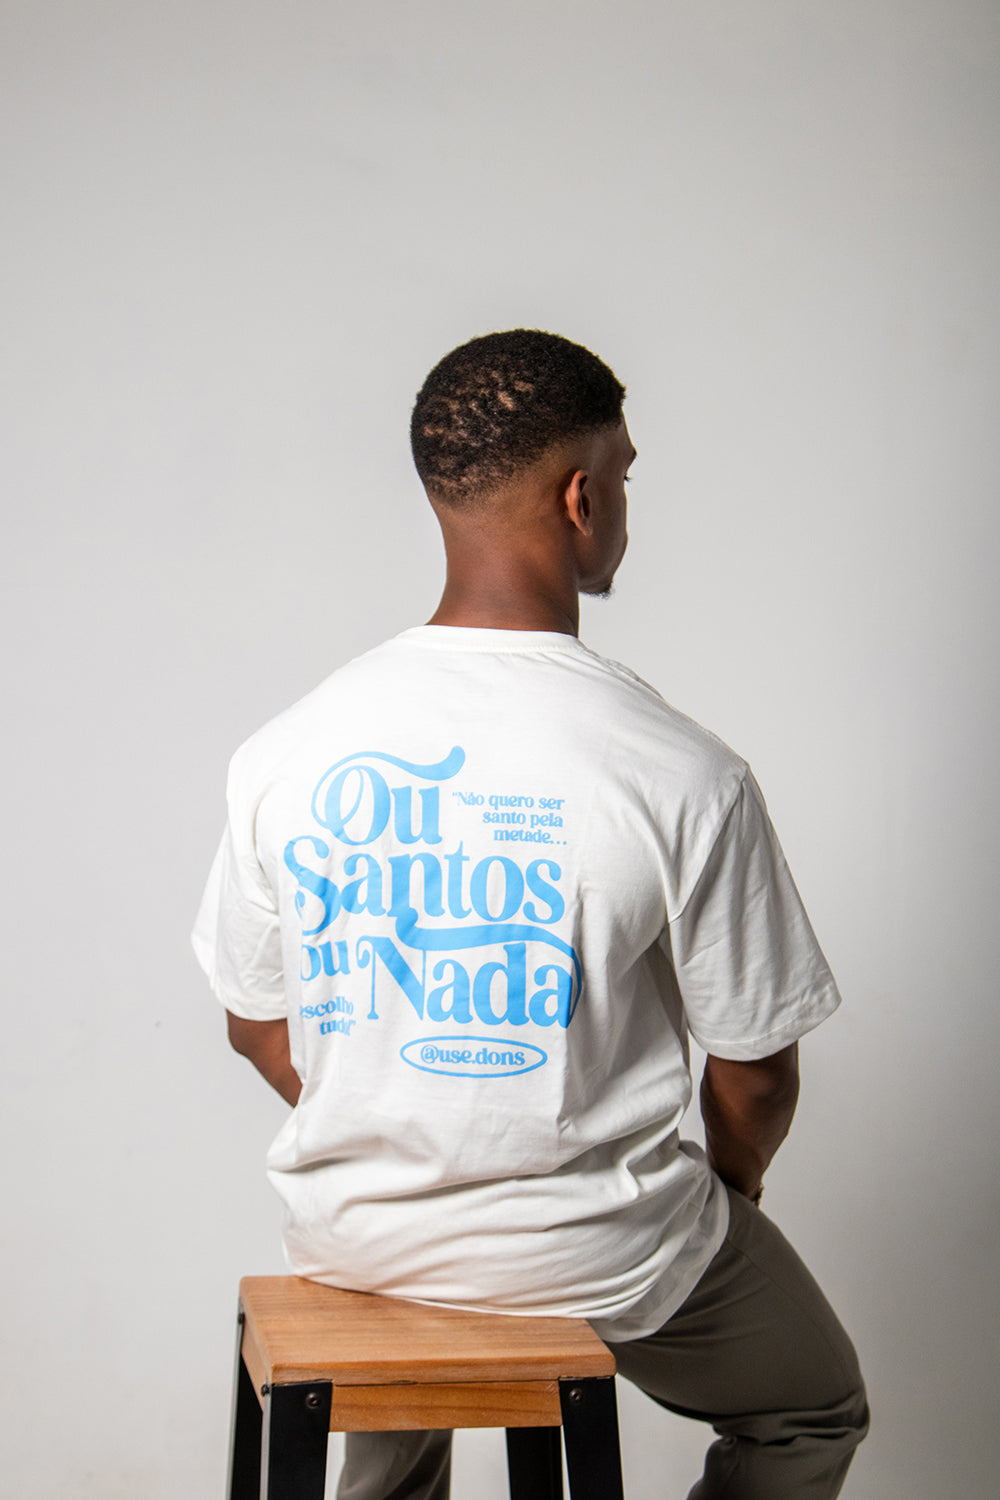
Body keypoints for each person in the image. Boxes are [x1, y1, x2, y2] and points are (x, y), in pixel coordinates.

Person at [193, 329, 868, 1499]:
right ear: (581, 497)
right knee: (812, 1410)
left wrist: (414, 1120)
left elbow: (256, 1025)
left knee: (412, 1325)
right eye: (625, 476)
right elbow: (756, 1073)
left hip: (361, 1234)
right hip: (595, 1247)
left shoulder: (286, 749)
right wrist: (732, 1194)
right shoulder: (679, 768)